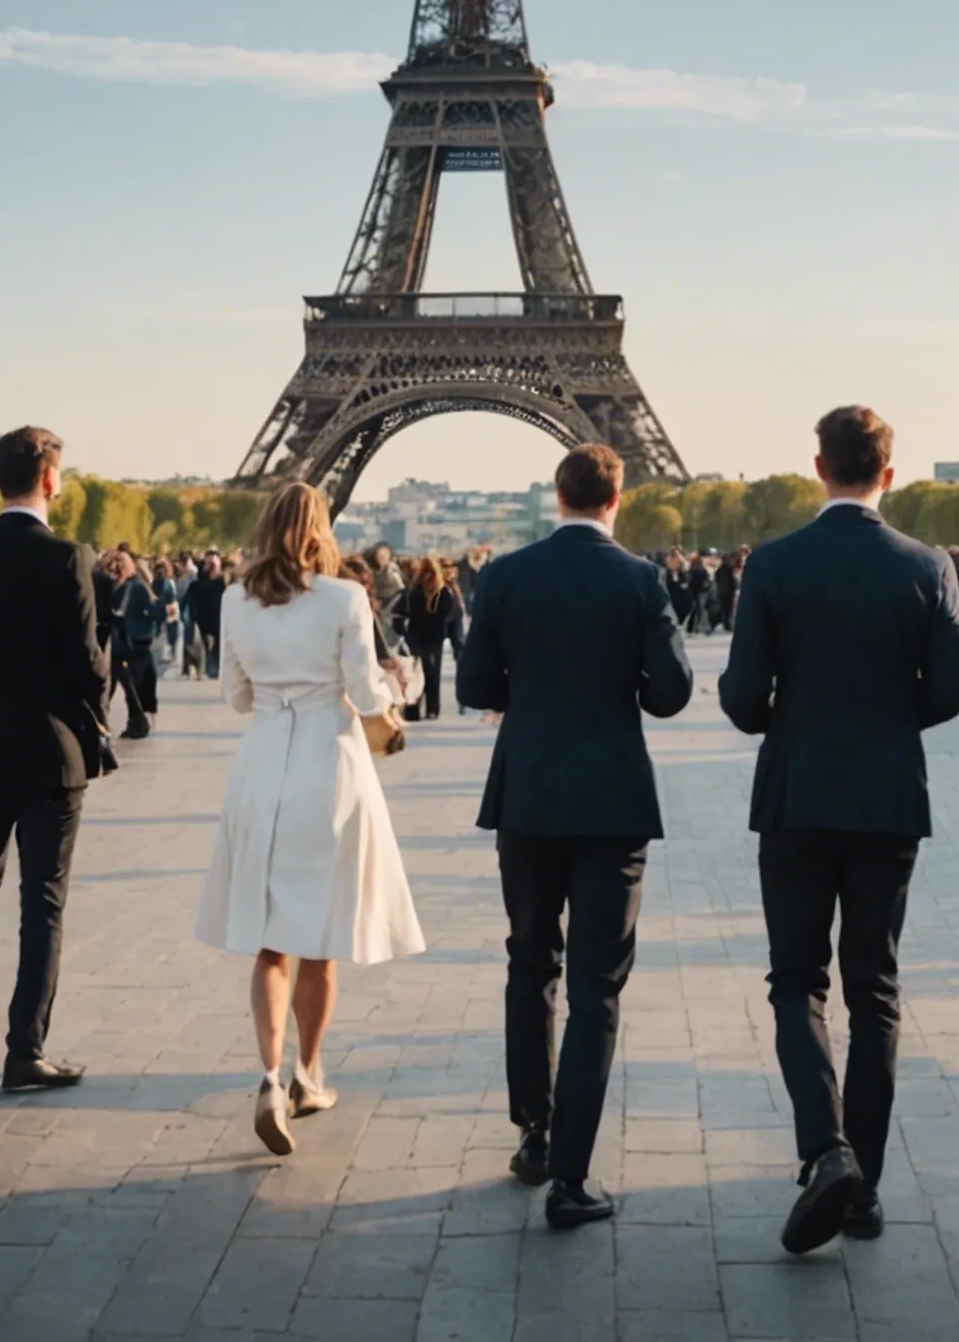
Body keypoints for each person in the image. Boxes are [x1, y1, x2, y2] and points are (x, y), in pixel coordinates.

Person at [718, 408, 959, 1253]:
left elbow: (744, 698)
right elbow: (949, 694)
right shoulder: (927, 565)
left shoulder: (776, 564)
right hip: (889, 795)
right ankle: (863, 1186)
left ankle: (826, 1149)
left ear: (818, 465)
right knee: (877, 990)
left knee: (797, 981)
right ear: (889, 474)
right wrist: (887, 721)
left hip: (796, 794)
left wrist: (791, 714)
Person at [458, 442, 694, 1231]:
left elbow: (473, 685)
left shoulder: (504, 576)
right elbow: (670, 694)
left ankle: (534, 1129)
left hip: (527, 793)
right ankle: (572, 1173)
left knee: (531, 960)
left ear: (557, 494)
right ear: (617, 498)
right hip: (611, 799)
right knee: (598, 987)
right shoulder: (640, 579)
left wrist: (531, 691)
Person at [197, 483, 424, 1157]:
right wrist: (397, 682)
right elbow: (362, 692)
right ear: (321, 529)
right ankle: (308, 1071)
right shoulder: (344, 598)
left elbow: (234, 696)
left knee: (271, 942)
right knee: (320, 938)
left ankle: (267, 1075)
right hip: (328, 767)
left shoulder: (235, 598)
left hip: (263, 759)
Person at [0, 426, 111, 1091]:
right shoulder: (69, 556)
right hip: (52, 750)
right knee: (43, 901)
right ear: (51, 479)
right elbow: (86, 667)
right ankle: (23, 1046)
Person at [397, 556, 463, 722]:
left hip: (421, 635)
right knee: (429, 673)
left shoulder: (415, 590)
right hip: (431, 636)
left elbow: (405, 612)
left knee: (420, 674)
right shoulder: (439, 591)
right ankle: (430, 709)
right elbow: (453, 611)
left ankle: (415, 709)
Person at [104, 550, 161, 739]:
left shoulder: (130, 587)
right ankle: (136, 721)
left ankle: (136, 721)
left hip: (128, 642)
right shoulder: (129, 586)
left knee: (126, 684)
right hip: (127, 641)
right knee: (127, 684)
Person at [182, 551, 227, 680]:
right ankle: (207, 669)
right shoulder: (198, 583)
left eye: (214, 563)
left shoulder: (224, 582)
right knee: (206, 644)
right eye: (209, 563)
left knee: (218, 646)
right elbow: (188, 600)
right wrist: (189, 617)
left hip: (221, 620)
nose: (211, 566)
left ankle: (214, 669)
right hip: (203, 621)